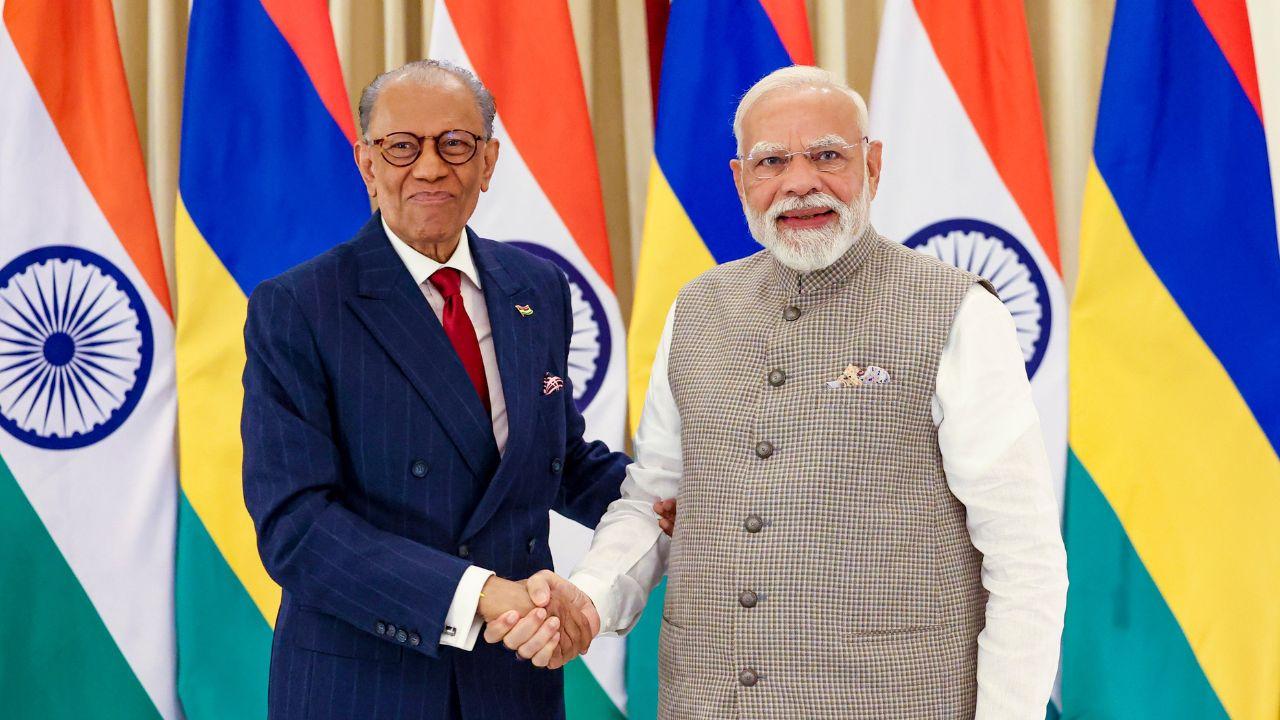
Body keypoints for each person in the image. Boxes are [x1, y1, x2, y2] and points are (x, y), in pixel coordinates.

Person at [505, 64, 1069, 719]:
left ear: (873, 165)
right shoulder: (699, 308)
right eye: (772, 161)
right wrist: (593, 599)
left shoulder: (958, 312)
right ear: (741, 181)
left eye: (828, 155)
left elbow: (1023, 557)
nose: (801, 183)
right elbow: (655, 504)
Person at [240, 59, 629, 720]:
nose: (429, 168)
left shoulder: (536, 287)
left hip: (514, 684)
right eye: (401, 146)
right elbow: (296, 528)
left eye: (454, 144)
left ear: (489, 160)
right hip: (365, 687)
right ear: (367, 162)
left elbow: (553, 460)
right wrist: (480, 594)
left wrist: (683, 499)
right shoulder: (299, 306)